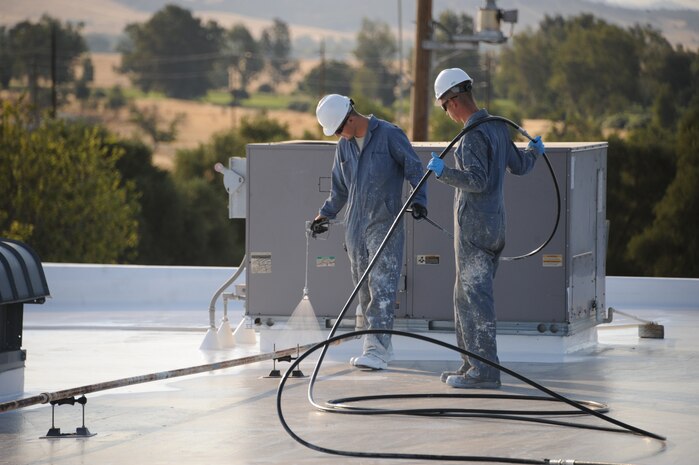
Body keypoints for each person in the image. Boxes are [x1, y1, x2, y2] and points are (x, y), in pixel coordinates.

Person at [426, 68, 545, 389]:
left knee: (474, 300)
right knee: (464, 298)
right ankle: (471, 365)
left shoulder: (471, 136)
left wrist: (443, 173)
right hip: (495, 226)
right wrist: (535, 150)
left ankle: (485, 373)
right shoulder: (496, 128)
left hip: (475, 230)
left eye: (443, 106)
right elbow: (520, 166)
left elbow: (476, 180)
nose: (446, 112)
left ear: (452, 101)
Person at [310, 94, 428, 370]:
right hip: (355, 227)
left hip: (384, 223)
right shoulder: (344, 147)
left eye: (339, 129)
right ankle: (380, 349)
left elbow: (415, 169)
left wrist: (420, 201)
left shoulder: (389, 135)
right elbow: (340, 189)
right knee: (363, 291)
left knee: (382, 289)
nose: (339, 135)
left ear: (350, 118)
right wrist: (324, 214)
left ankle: (375, 351)